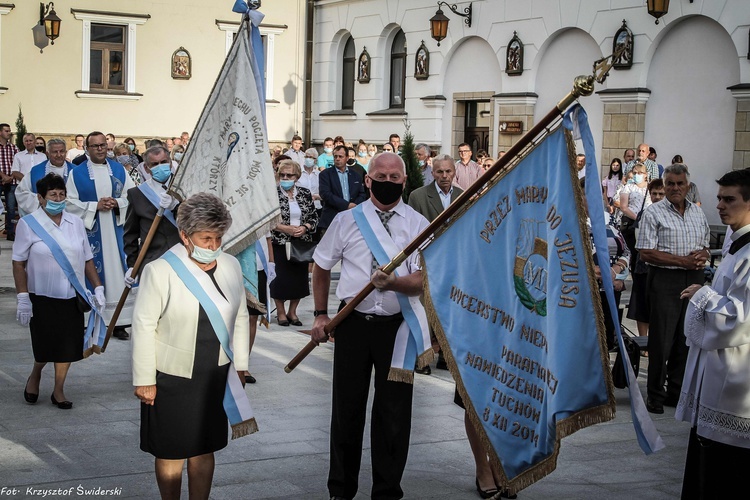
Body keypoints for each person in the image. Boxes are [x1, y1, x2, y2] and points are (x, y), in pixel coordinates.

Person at [311, 151, 430, 500]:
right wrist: (320, 313)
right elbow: (320, 267)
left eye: (395, 178)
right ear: (367, 179)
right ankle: (341, 490)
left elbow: (425, 278)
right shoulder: (347, 221)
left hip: (399, 329)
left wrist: (393, 284)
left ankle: (387, 490)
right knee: (346, 410)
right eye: (381, 176)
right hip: (353, 326)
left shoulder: (418, 224)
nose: (388, 182)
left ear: (405, 182)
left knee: (393, 415)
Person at [132, 192, 255, 500]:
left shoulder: (229, 265)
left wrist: (240, 364)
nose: (213, 246)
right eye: (205, 238)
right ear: (185, 236)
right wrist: (144, 379)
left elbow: (240, 316)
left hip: (214, 374)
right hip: (171, 376)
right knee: (171, 450)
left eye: (218, 238)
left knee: (204, 447)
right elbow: (144, 326)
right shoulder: (160, 270)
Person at [676, 169, 750, 498]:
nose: (720, 205)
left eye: (729, 199)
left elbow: (741, 317)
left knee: (727, 472)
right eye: (719, 198)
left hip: (737, 379)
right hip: (718, 370)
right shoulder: (736, 244)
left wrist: (702, 296)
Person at [13, 174, 105, 410]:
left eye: (61, 194)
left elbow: (87, 258)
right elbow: (18, 262)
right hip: (41, 295)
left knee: (67, 346)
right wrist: (23, 297)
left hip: (71, 295)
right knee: (44, 345)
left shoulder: (76, 223)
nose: (58, 198)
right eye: (52, 195)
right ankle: (36, 374)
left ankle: (59, 390)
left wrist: (98, 287)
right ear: (40, 198)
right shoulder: (28, 224)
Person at [637, 163, 710, 414]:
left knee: (687, 337)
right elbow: (646, 253)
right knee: (662, 340)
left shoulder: (697, 213)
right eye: (670, 184)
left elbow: (706, 244)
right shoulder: (654, 212)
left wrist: (703, 254)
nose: (675, 188)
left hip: (694, 277)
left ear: (687, 186)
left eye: (680, 183)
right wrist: (682, 261)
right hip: (665, 280)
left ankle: (676, 393)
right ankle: (655, 394)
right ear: (664, 185)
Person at [66, 131, 136, 341]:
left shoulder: (119, 170)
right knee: (91, 274)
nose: (99, 149)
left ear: (108, 146)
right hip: (91, 232)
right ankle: (91, 320)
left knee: (117, 275)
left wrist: (117, 203)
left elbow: (132, 195)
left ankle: (119, 322)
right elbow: (69, 202)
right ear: (87, 149)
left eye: (102, 145)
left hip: (116, 232)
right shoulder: (76, 174)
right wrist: (94, 206)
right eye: (94, 146)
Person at [123, 145, 181, 290]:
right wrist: (132, 265)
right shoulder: (137, 194)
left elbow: (196, 223)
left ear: (170, 162)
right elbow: (130, 234)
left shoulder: (184, 186)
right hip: (153, 260)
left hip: (184, 257)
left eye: (163, 162)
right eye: (154, 164)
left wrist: (176, 207)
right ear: (147, 168)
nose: (160, 166)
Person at [270, 160, 318, 326]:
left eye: (289, 175)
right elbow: (268, 221)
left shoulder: (304, 193)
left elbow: (314, 217)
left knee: (299, 279)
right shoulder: (272, 194)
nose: (285, 177)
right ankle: (281, 312)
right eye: (282, 175)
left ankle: (292, 311)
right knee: (280, 279)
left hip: (300, 243)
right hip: (279, 242)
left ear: (297, 176)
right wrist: (286, 229)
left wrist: (305, 227)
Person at [626, 179, 665, 338]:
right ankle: (643, 340)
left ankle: (656, 340)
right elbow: (639, 242)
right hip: (643, 267)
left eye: (661, 194)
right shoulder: (644, 213)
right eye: (654, 193)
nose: (657, 197)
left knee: (659, 308)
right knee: (642, 306)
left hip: (663, 267)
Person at [16, 138, 73, 217]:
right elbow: (21, 193)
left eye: (62, 151)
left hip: (69, 216)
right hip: (43, 216)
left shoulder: (75, 171)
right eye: (55, 152)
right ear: (47, 153)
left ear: (66, 153)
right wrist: (43, 201)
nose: (59, 155)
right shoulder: (36, 171)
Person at [318, 145, 366, 232]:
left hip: (352, 219)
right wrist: (346, 205)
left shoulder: (355, 175)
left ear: (347, 158)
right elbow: (325, 194)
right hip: (332, 219)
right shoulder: (325, 174)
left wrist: (354, 205)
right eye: (335, 156)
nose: (337, 159)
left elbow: (362, 194)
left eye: (341, 156)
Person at [619, 162, 650, 271]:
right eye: (635, 173)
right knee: (632, 252)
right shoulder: (628, 187)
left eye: (640, 173)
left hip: (648, 224)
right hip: (632, 223)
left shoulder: (650, 188)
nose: (637, 175)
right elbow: (623, 207)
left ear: (646, 174)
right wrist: (638, 218)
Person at [0, 123, 20, 240]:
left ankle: (11, 231)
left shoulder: (14, 148)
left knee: (11, 208)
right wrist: (3, 175)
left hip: (11, 182)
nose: (9, 133)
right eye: (6, 131)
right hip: (1, 180)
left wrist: (11, 177)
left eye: (9, 131)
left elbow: (18, 163)